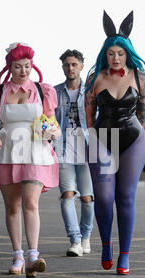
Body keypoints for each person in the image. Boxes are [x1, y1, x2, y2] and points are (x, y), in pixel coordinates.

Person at [0, 43, 60, 278]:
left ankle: (33, 256)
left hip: (35, 150)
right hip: (6, 149)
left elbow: (51, 123)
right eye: (18, 67)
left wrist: (53, 132)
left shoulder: (44, 91)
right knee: (12, 206)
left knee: (31, 203)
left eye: (27, 66)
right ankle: (17, 256)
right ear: (9, 67)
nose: (24, 71)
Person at [85, 11, 145, 275]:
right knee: (103, 197)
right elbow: (89, 112)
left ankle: (125, 255)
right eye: (111, 53)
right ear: (105, 54)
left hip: (133, 138)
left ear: (127, 53)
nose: (115, 58)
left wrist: (144, 135)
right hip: (102, 137)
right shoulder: (95, 78)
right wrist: (90, 138)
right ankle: (106, 244)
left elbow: (142, 111)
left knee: (125, 196)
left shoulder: (139, 77)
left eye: (120, 53)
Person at [54, 49, 94, 257]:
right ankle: (75, 240)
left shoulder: (91, 92)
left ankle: (86, 237)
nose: (70, 68)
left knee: (87, 198)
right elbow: (47, 120)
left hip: (87, 148)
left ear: (81, 66)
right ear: (63, 67)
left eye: (74, 64)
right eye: (66, 65)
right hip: (62, 148)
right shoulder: (54, 92)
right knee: (67, 195)